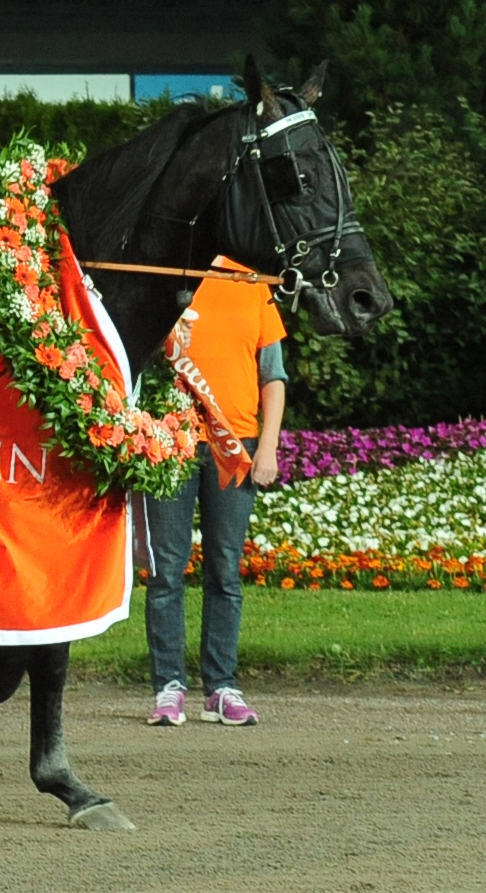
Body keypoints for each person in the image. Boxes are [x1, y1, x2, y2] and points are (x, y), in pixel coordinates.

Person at [145, 257, 287, 727]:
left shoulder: (252, 281)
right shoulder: (171, 273)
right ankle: (169, 687)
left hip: (235, 444)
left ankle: (222, 687)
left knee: (225, 569)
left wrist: (267, 448)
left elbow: (273, 377)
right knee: (167, 569)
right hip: (173, 440)